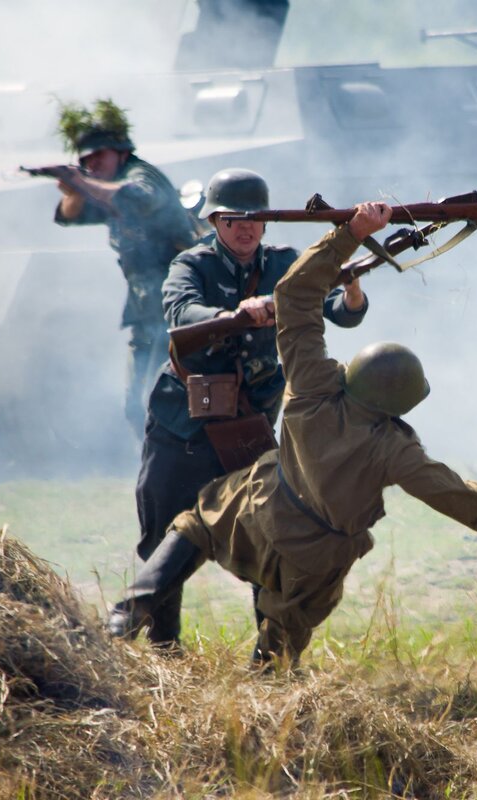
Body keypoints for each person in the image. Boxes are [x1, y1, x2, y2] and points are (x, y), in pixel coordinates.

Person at [111, 201, 477, 665]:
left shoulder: (313, 385)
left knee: (195, 523)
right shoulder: (395, 450)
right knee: (278, 653)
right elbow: (474, 505)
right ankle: (259, 701)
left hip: (255, 512)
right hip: (314, 558)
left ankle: (128, 613)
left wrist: (350, 233)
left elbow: (296, 295)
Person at [122, 168, 369, 648]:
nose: (244, 228)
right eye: (232, 219)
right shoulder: (190, 265)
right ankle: (163, 653)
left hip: (249, 427)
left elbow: (336, 306)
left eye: (253, 219)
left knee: (272, 538)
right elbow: (180, 312)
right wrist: (234, 315)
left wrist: (353, 292)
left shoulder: (285, 263)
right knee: (160, 542)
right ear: (214, 221)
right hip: (182, 429)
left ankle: (273, 659)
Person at [52, 98, 198, 438]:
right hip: (143, 309)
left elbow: (136, 195)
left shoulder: (140, 176)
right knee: (136, 405)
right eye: (85, 160)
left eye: (98, 156)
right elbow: (71, 217)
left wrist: (83, 181)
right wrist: (72, 187)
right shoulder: (104, 191)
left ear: (120, 152)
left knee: (164, 399)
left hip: (175, 305)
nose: (92, 164)